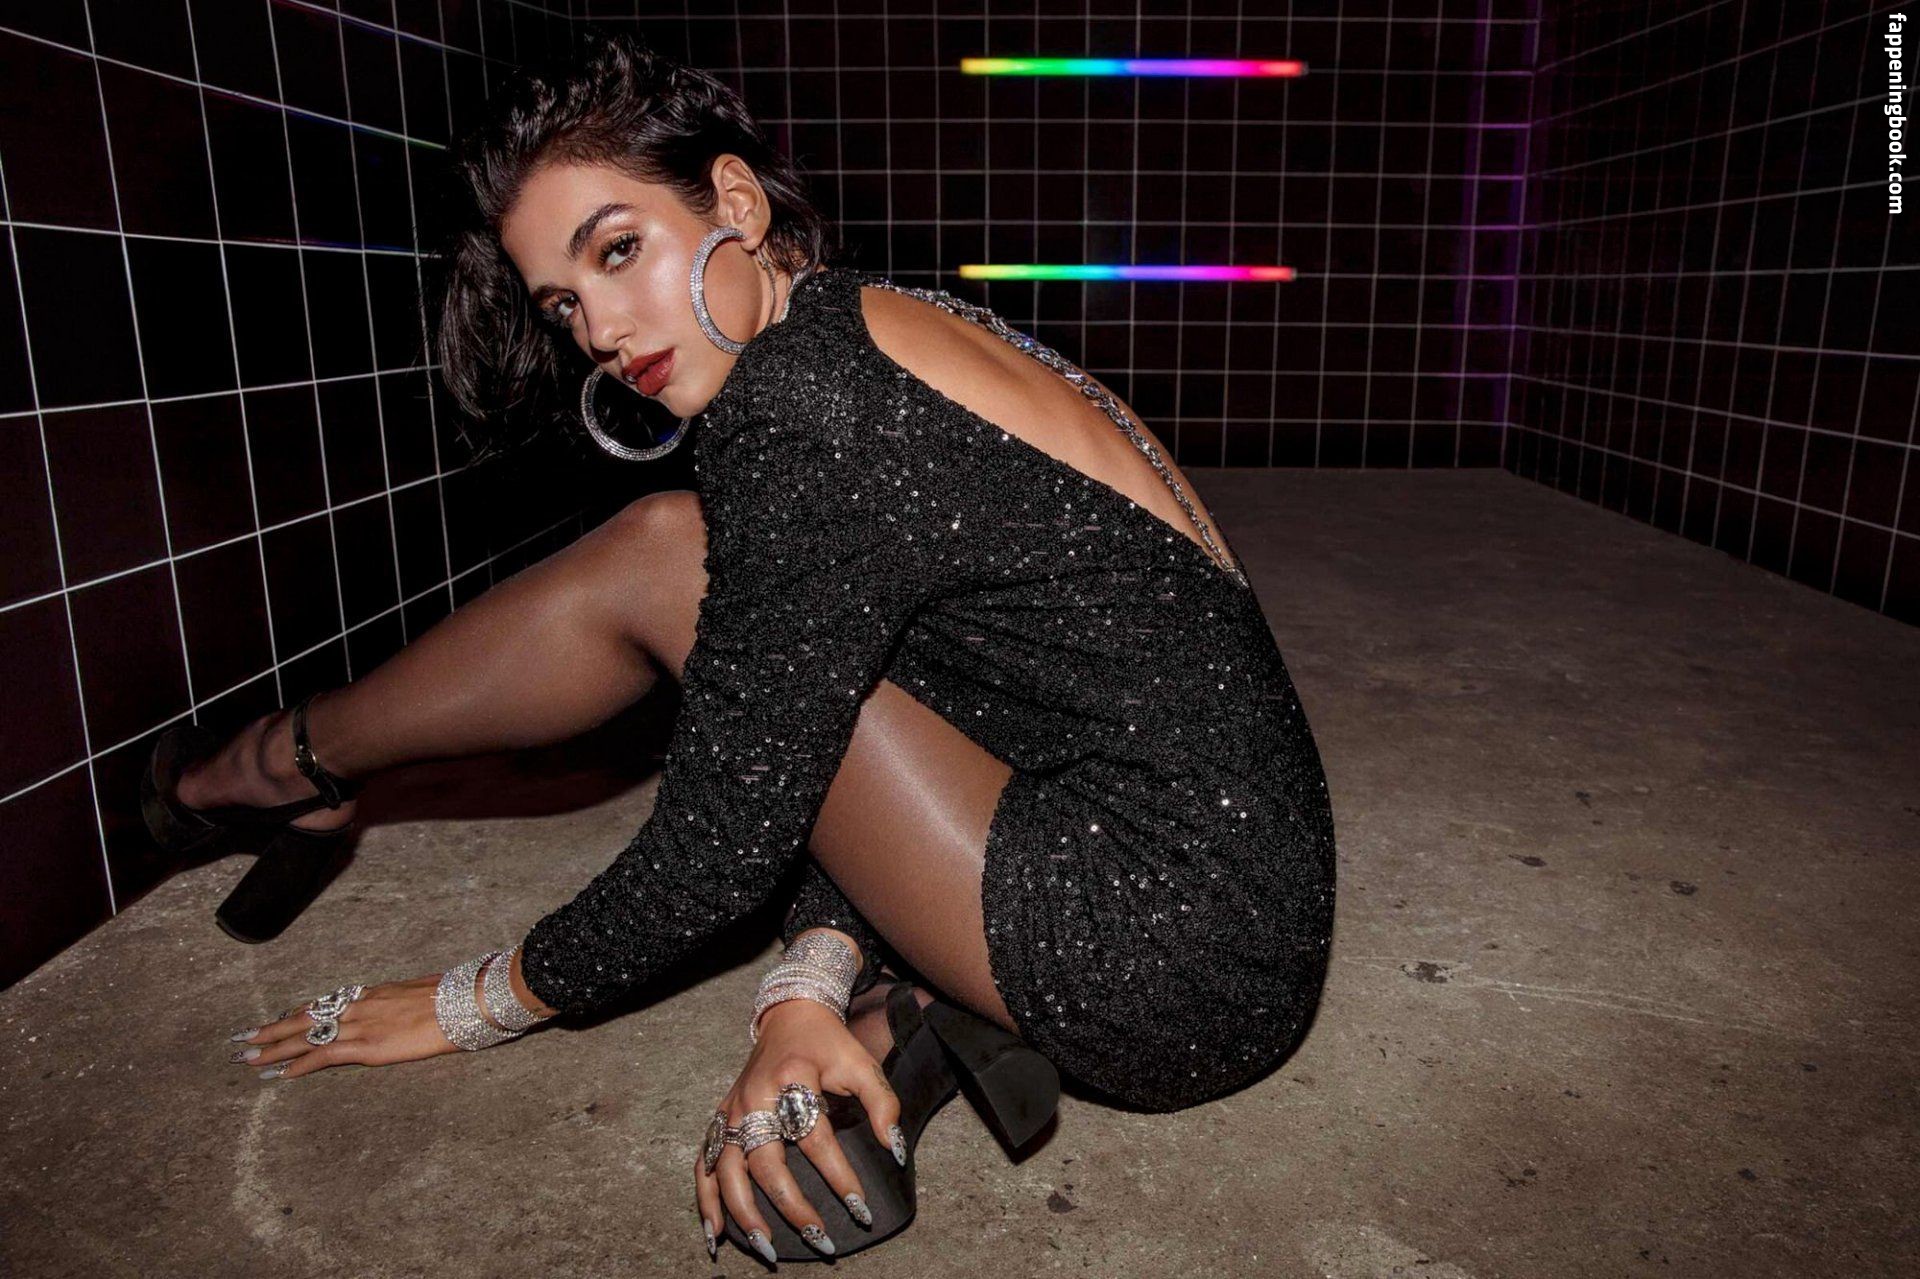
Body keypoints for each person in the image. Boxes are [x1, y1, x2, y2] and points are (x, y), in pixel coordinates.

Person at [142, 29, 1336, 1267]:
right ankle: (904, 1007)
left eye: (619, 250)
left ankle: (288, 765)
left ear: (736, 203)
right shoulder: (867, 323)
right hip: (1242, 891)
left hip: (1162, 955)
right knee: (707, 566)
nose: (603, 330)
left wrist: (477, 1003)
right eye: (564, 303)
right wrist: (809, 978)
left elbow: (722, 841)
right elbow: (854, 692)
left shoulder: (802, 414)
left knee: (671, 563)